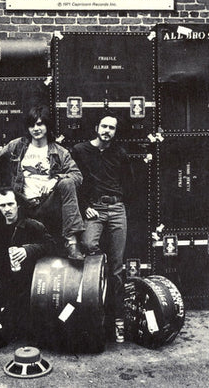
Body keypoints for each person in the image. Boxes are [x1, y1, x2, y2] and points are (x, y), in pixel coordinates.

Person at [0, 106, 85, 260]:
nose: (36, 129)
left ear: (47, 125)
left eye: (40, 124)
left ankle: (72, 243)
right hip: (23, 205)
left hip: (47, 204)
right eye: (32, 125)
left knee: (67, 183)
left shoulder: (60, 152)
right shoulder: (17, 146)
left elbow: (77, 176)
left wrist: (55, 179)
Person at [0, 187, 54, 358]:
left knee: (29, 331)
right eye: (2, 205)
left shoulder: (31, 225)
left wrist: (28, 250)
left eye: (10, 204)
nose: (7, 209)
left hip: (26, 284)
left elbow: (51, 245)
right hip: (0, 280)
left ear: (18, 205)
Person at [71, 113, 133, 338]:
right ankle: (93, 314)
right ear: (96, 127)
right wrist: (84, 206)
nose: (107, 131)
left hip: (116, 208)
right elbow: (73, 182)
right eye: (104, 126)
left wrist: (120, 204)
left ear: (115, 132)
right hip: (94, 208)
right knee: (88, 245)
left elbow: (129, 183)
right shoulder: (80, 151)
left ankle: (118, 320)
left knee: (117, 267)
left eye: (112, 128)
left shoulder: (120, 153)